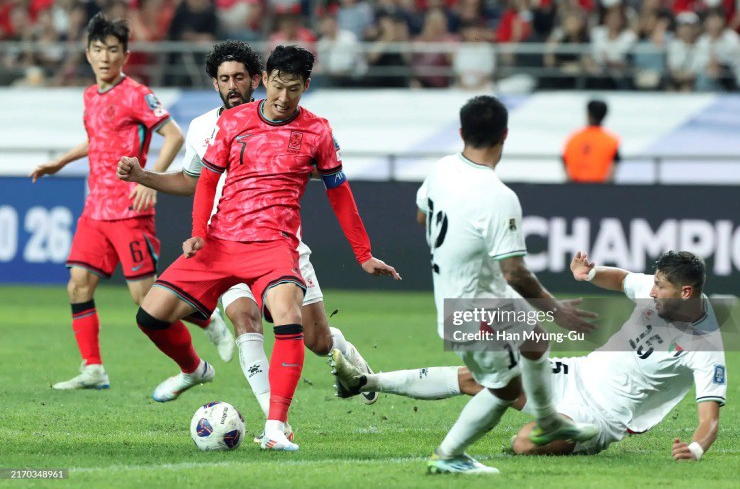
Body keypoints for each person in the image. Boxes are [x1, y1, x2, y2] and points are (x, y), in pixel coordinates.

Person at [132, 45, 400, 452]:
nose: (282, 96)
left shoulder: (317, 131)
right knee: (174, 317)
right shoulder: (221, 123)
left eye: (293, 88)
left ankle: (341, 358)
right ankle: (269, 420)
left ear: (304, 86)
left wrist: (363, 254)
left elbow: (339, 193)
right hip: (221, 242)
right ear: (266, 80)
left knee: (315, 338)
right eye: (278, 86)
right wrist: (197, 229)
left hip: (278, 244)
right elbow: (201, 180)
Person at [333, 251, 727, 461]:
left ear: (686, 293)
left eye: (660, 287)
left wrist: (694, 448)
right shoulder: (655, 292)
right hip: (574, 375)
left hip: (601, 417)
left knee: (523, 445)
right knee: (478, 376)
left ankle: (565, 433)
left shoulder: (704, 345)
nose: (652, 291)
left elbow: (710, 418)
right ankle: (366, 382)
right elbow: (623, 278)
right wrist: (590, 275)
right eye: (654, 283)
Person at [379, 95, 597, 474]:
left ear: (461, 132)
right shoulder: (498, 197)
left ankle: (548, 421)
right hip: (471, 308)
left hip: (477, 299)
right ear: (505, 136)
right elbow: (515, 272)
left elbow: (421, 215)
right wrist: (556, 308)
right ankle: (448, 454)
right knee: (505, 388)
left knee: (535, 339)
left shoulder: (442, 169)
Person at [28, 13, 231, 390]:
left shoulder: (136, 94)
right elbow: (98, 138)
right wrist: (61, 161)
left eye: (113, 51)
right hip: (96, 210)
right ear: (87, 53)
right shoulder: (91, 95)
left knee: (144, 297)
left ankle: (207, 320)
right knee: (78, 286)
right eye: (98, 49)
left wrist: (151, 180)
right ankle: (93, 368)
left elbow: (172, 135)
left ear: (125, 55)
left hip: (129, 210)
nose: (105, 57)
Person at [562, 99, 621, 183]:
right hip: (599, 189)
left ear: (588, 114)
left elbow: (564, 163)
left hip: (574, 187)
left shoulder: (573, 138)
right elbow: (613, 167)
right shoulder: (611, 141)